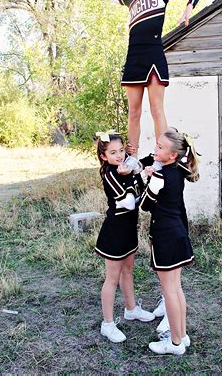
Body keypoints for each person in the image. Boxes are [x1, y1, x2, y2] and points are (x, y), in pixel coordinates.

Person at [62, 0, 202, 154]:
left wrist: (188, 8)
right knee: (134, 112)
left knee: (156, 109)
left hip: (154, 55)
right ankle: (132, 154)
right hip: (134, 57)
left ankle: (162, 153)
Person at [139, 127, 200, 355]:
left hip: (165, 237)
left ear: (172, 155)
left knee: (170, 292)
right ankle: (181, 336)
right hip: (178, 234)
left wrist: (146, 176)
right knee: (176, 289)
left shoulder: (159, 175)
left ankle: (174, 343)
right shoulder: (177, 171)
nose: (155, 150)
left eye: (160, 147)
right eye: (156, 145)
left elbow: (145, 205)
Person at [95, 131, 155, 343]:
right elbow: (130, 201)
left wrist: (135, 165)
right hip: (114, 232)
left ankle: (131, 309)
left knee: (128, 270)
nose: (119, 155)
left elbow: (140, 183)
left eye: (121, 151)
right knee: (112, 279)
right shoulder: (111, 174)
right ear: (104, 156)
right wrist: (129, 172)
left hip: (129, 227)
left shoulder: (125, 168)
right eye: (113, 152)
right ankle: (108, 324)